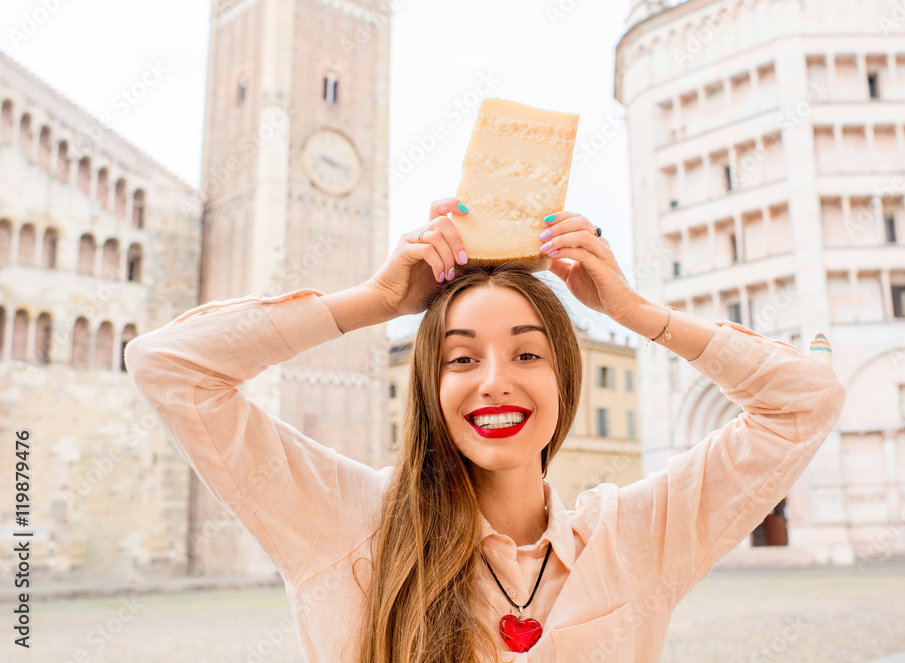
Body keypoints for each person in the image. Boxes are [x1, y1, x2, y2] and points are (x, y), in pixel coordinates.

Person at [124, 197, 846, 662]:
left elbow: (804, 401)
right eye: (461, 357)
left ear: (566, 379)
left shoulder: (634, 536)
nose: (495, 378)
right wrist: (372, 301)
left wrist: (634, 312)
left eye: (528, 353)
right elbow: (166, 365)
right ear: (431, 387)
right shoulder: (345, 522)